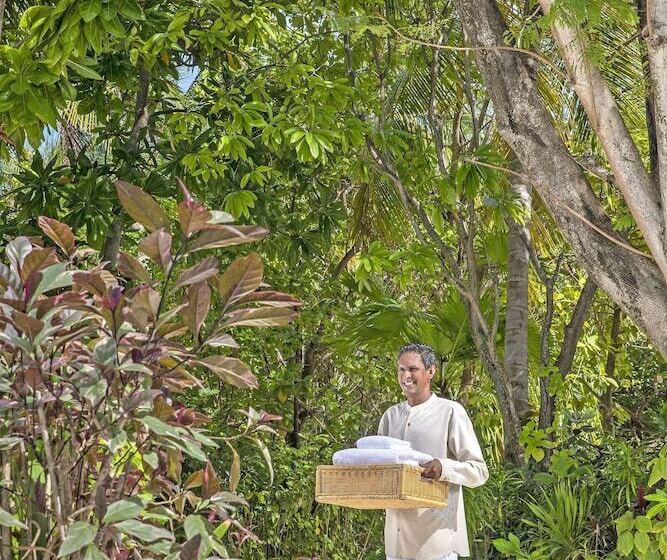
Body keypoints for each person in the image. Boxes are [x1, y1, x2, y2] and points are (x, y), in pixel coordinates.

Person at [377, 343, 489, 560]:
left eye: (412, 369)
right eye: (401, 369)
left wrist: (443, 468)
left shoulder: (451, 412)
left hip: (437, 542)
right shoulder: (390, 417)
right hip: (396, 545)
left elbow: (479, 471)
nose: (406, 375)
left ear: (430, 372)